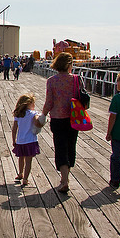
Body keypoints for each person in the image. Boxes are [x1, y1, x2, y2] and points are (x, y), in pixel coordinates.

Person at [41, 52, 81, 194]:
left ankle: (64, 180)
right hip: (73, 118)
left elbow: (49, 102)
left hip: (58, 118)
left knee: (60, 147)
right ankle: (66, 177)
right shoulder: (77, 79)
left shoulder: (52, 81)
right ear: (70, 65)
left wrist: (43, 114)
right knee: (71, 146)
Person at [12, 94, 44, 187]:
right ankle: (25, 179)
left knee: (21, 158)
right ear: (29, 103)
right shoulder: (33, 114)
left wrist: (13, 140)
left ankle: (20, 173)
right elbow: (37, 123)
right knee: (28, 161)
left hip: (20, 140)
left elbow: (14, 129)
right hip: (30, 140)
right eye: (33, 103)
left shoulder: (18, 114)